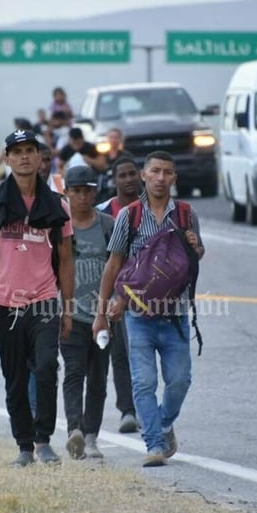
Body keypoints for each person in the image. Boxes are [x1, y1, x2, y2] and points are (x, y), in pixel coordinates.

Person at [93, 151, 205, 467]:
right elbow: (113, 264)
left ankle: (165, 424)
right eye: (154, 171)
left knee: (179, 380)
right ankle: (154, 444)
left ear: (174, 178)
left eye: (167, 172)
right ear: (144, 175)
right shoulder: (128, 217)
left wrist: (196, 246)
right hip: (137, 316)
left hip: (176, 315)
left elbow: (195, 256)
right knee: (143, 382)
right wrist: (102, 312)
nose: (160, 178)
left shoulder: (185, 214)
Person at [0, 128, 74, 467]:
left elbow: (66, 259)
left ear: (41, 158)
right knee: (14, 378)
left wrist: (68, 308)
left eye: (31, 150)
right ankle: (24, 447)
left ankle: (44, 440)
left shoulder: (57, 206)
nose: (25, 157)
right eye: (17, 152)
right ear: (8, 158)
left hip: (44, 300)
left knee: (46, 367)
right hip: (4, 304)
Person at [60, 165, 115, 460]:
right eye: (76, 191)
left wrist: (117, 301)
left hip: (102, 317)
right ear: (66, 193)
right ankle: (75, 432)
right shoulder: (60, 227)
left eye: (87, 191)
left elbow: (120, 266)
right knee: (73, 373)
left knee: (97, 377)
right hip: (70, 315)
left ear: (95, 192)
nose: (82, 197)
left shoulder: (108, 225)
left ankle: (92, 435)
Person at [95, 156, 142, 433]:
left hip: (150, 293)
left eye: (131, 174)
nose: (127, 179)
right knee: (121, 352)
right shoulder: (103, 212)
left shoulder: (153, 209)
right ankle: (128, 410)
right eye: (121, 175)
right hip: (116, 293)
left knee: (145, 351)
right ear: (114, 180)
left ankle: (146, 404)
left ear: (140, 176)